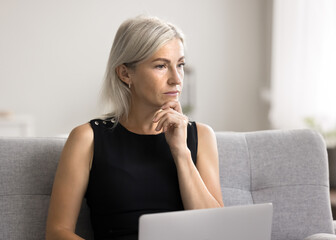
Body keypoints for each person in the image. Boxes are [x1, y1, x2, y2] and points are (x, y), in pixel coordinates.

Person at [45, 15, 224, 240]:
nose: (177, 79)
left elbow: (216, 231)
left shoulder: (202, 136)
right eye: (161, 66)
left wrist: (181, 152)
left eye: (180, 65)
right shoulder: (87, 138)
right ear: (125, 73)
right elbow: (57, 232)